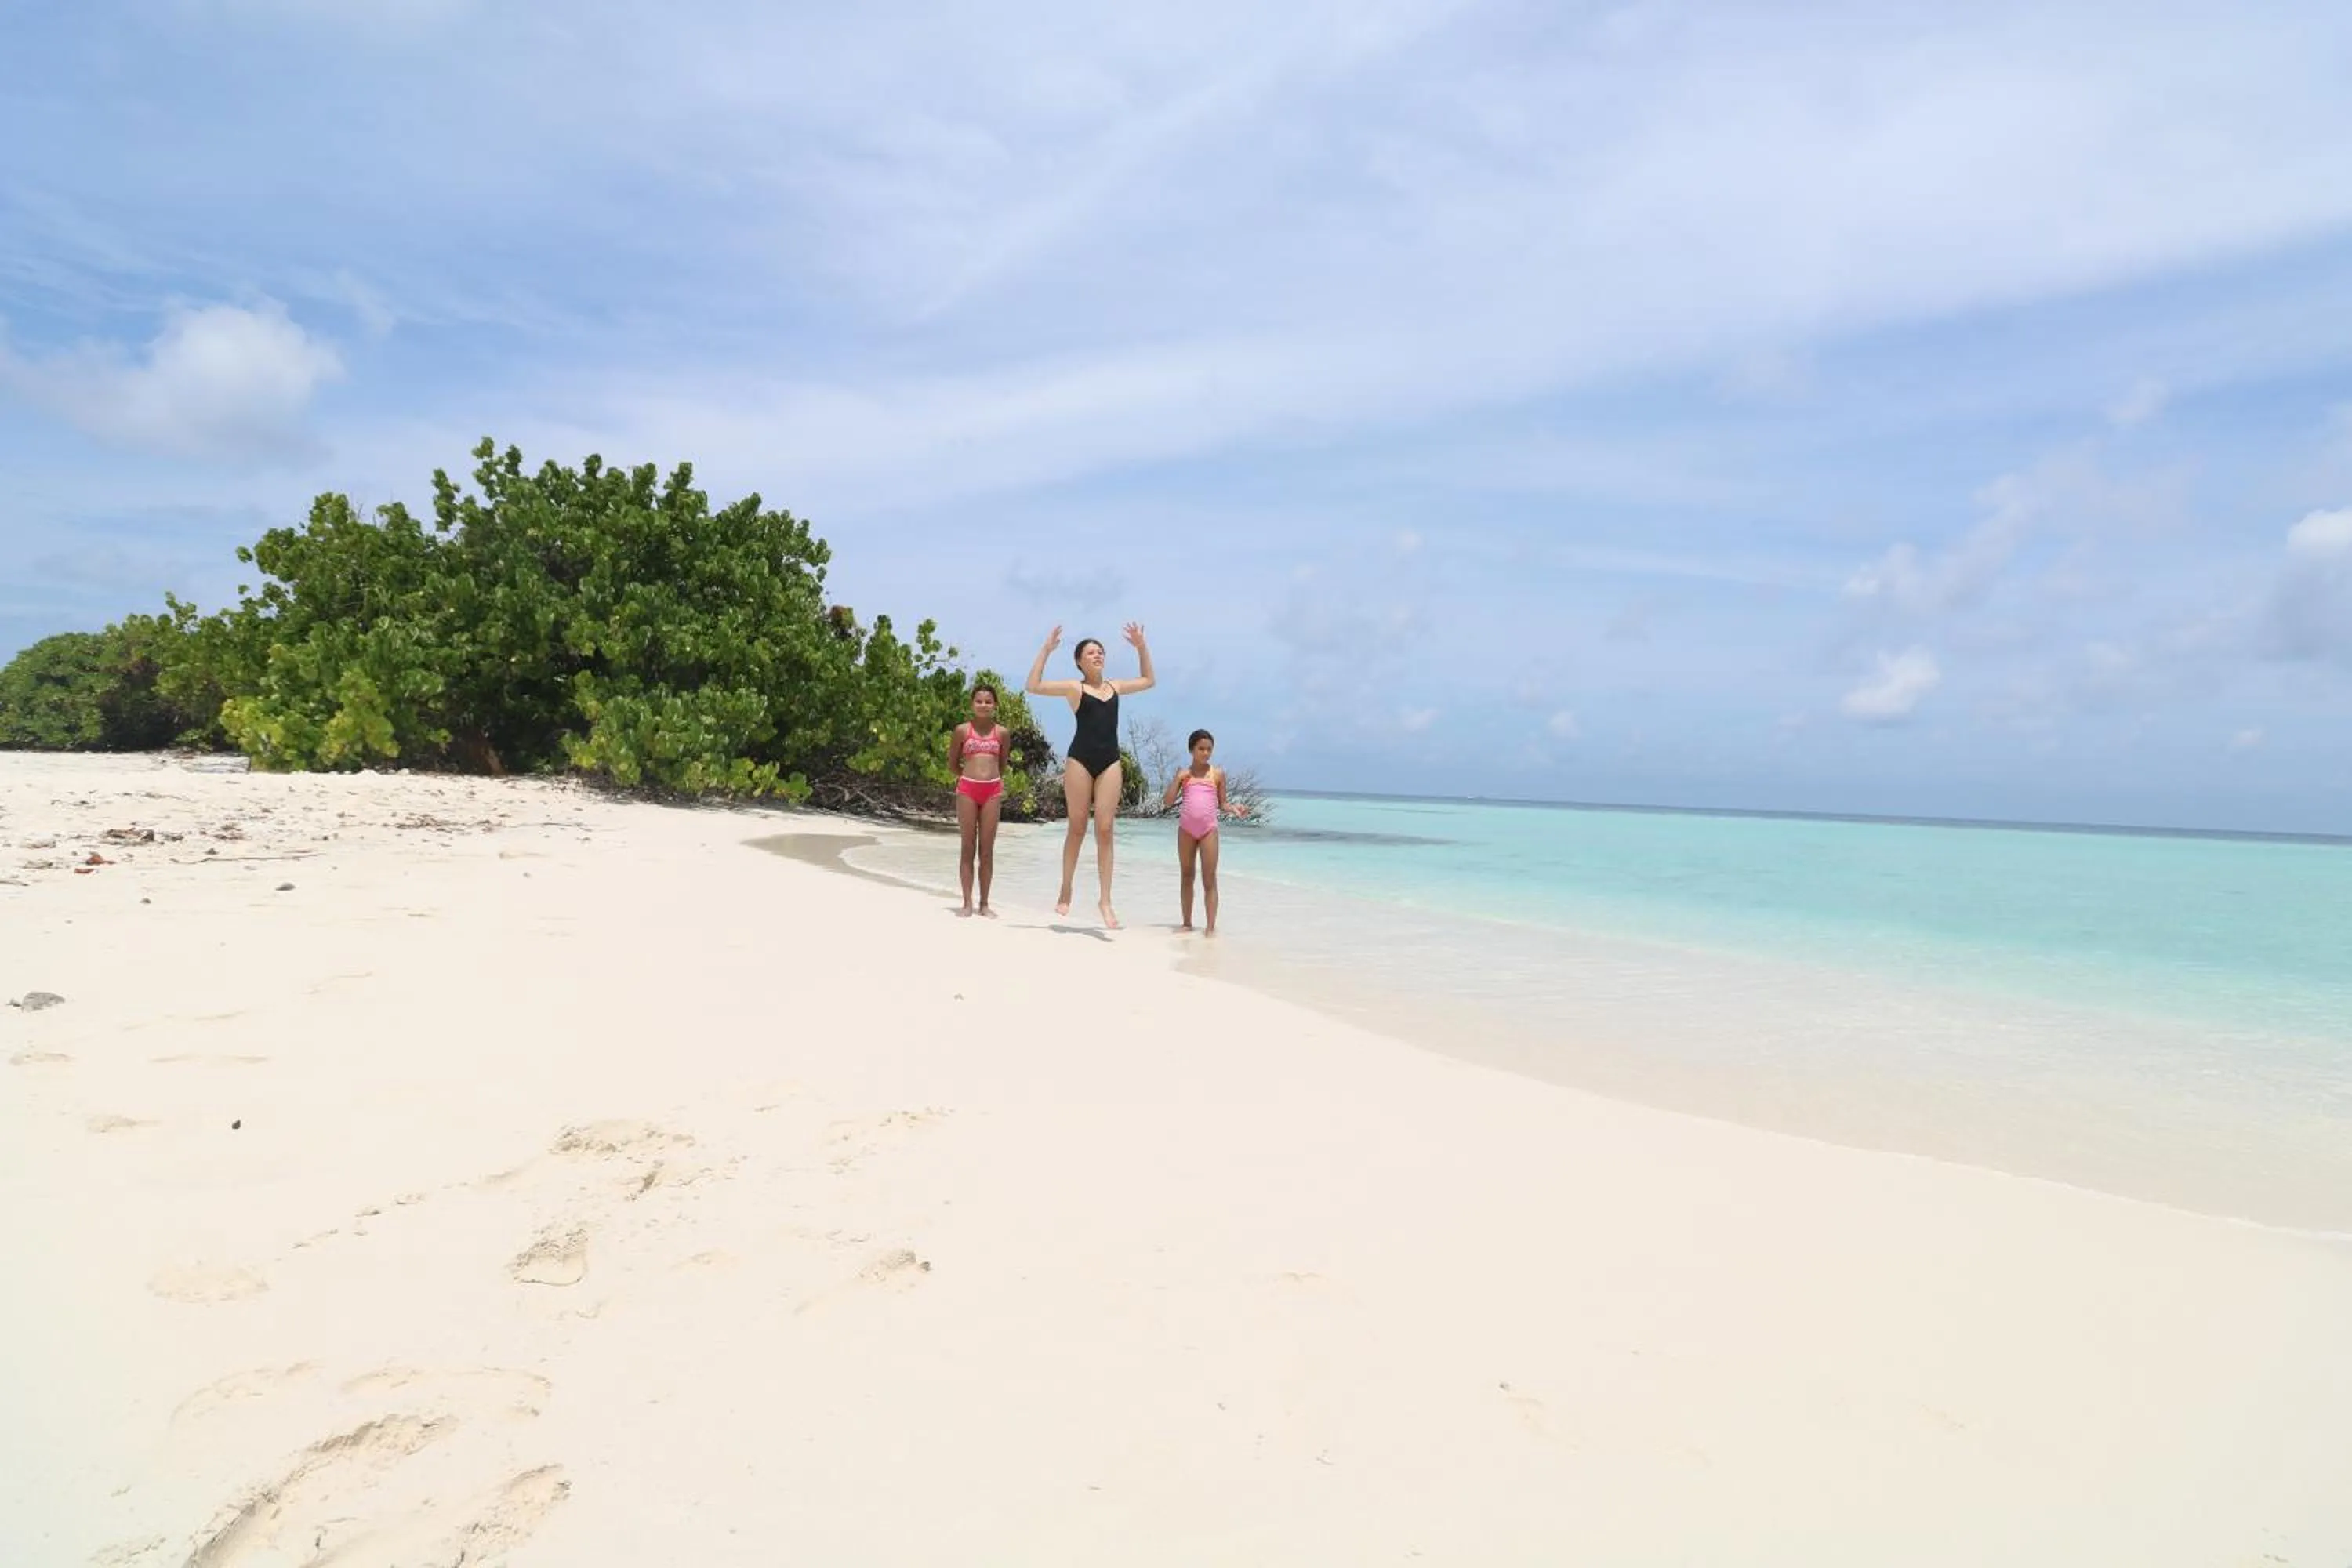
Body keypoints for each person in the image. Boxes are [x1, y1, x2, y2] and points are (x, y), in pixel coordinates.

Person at [1025, 622, 1154, 928]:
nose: (1097, 655)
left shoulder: (1116, 687)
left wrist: (1141, 647)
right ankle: (1066, 887)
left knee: (1106, 830)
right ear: (1079, 661)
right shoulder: (1074, 687)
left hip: (1110, 761)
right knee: (1078, 828)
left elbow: (1149, 679)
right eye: (1091, 652)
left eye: (1101, 652)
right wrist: (1046, 650)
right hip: (1079, 761)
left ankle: (1105, 900)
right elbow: (1033, 686)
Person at [1161, 728, 1247, 933]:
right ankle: (1187, 923)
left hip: (1208, 830)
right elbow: (1168, 802)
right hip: (1186, 830)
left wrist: (1235, 808)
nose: (1206, 753)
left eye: (1209, 749)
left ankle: (1210, 928)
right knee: (1187, 876)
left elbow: (1223, 803)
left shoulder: (1217, 774)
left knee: (1209, 879)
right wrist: (1177, 779)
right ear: (1192, 750)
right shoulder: (1184, 774)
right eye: (1201, 749)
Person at [948, 684, 1007, 917]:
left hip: (992, 790)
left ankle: (984, 903)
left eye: (988, 701)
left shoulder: (1002, 733)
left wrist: (990, 778)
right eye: (979, 701)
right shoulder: (962, 730)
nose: (984, 705)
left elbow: (1002, 763)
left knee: (987, 850)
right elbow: (953, 763)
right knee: (967, 847)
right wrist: (968, 777)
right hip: (968, 790)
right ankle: (966, 903)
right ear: (972, 704)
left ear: (995, 705)